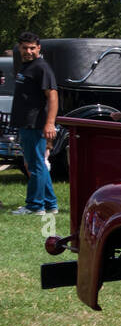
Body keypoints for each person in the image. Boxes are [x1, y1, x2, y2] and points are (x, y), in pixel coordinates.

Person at [9, 31, 59, 216]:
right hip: (26, 123)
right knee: (37, 163)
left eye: (32, 48)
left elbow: (52, 96)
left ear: (39, 48)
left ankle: (34, 206)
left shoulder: (41, 67)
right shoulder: (27, 66)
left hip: (35, 123)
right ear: (19, 48)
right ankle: (50, 204)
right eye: (24, 48)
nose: (28, 51)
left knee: (35, 165)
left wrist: (50, 123)